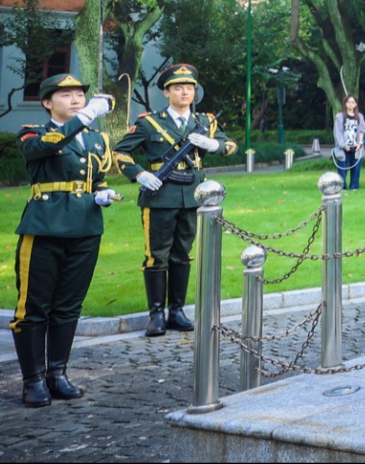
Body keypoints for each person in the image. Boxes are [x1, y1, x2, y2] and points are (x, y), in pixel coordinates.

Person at [11, 76, 120, 407]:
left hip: (86, 227)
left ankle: (57, 374)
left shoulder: (95, 140)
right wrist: (83, 117)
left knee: (69, 305)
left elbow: (95, 176)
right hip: (45, 227)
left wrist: (102, 193)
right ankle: (33, 380)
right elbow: (47, 146)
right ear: (47, 102)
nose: (76, 99)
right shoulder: (33, 132)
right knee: (33, 307)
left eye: (79, 95)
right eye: (66, 95)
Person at [116, 63, 237, 338]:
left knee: (182, 254)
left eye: (190, 87)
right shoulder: (150, 123)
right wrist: (140, 175)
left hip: (193, 197)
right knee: (157, 255)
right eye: (179, 88)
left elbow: (230, 146)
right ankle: (156, 314)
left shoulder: (204, 122)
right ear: (167, 92)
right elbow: (120, 152)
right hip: (160, 195)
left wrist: (212, 144)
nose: (185, 92)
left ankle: (177, 311)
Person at [332, 95, 365, 191]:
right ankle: (342, 187)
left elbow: (361, 131)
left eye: (353, 102)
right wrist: (343, 145)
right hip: (343, 148)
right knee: (342, 168)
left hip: (356, 147)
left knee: (356, 169)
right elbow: (337, 133)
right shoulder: (339, 116)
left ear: (356, 104)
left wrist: (359, 143)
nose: (351, 104)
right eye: (349, 102)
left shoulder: (360, 117)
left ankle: (354, 186)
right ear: (345, 103)